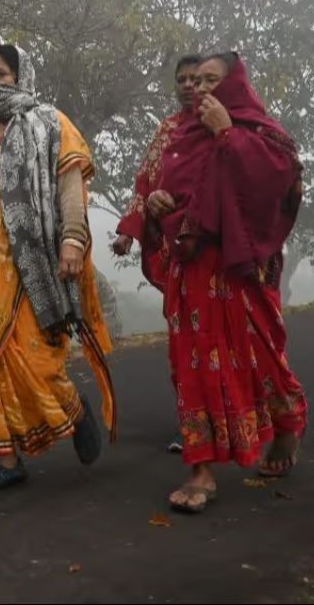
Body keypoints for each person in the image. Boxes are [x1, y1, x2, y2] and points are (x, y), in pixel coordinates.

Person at [0, 44, 117, 494]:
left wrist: (73, 241)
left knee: (34, 357)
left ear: (22, 77)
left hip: (30, 263)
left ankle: (73, 410)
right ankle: (4, 458)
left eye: (2, 73)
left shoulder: (50, 124)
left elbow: (70, 187)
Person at [143, 52, 308, 514]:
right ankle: (201, 470)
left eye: (211, 81)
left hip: (239, 271)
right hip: (191, 270)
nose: (201, 90)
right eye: (195, 82)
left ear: (235, 85)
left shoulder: (260, 133)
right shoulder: (181, 135)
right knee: (192, 364)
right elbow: (173, 193)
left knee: (260, 356)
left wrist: (226, 134)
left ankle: (287, 427)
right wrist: (159, 205)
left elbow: (276, 185)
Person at [113, 54, 202, 455]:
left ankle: (234, 420)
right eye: (181, 79)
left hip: (214, 253)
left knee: (216, 339)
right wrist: (129, 234)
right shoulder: (166, 132)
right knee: (183, 340)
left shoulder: (225, 126)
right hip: (175, 256)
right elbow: (144, 183)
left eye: (195, 79)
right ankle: (193, 425)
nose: (187, 85)